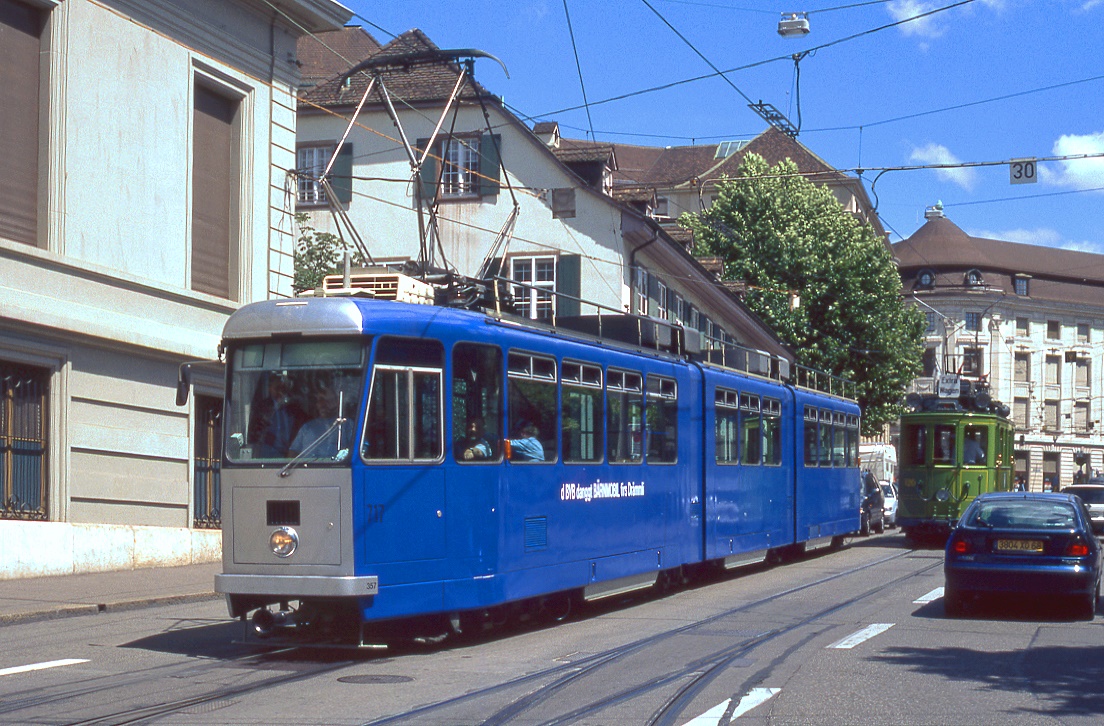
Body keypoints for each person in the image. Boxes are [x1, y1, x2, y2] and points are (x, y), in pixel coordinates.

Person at [248, 373, 305, 458]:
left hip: (290, 454)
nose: (280, 392)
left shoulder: (293, 408)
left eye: (283, 389)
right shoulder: (262, 407)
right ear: (270, 388)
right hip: (267, 454)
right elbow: (253, 435)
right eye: (277, 388)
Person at [288, 387, 352, 459]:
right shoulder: (307, 427)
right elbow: (293, 451)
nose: (322, 404)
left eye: (326, 401)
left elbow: (358, 450)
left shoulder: (347, 425)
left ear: (336, 402)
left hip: (335, 465)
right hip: (308, 466)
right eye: (319, 401)